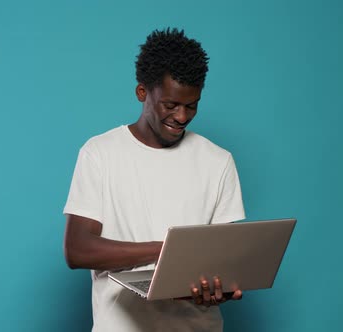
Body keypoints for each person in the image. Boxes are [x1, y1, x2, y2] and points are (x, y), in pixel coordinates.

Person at [63, 28, 246, 332]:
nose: (182, 116)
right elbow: (78, 249)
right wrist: (166, 250)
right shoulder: (100, 153)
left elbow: (220, 261)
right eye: (171, 105)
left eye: (192, 105)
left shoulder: (218, 161)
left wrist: (219, 290)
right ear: (142, 92)